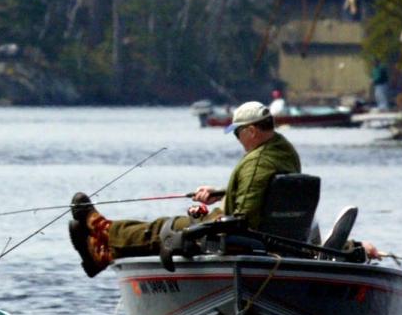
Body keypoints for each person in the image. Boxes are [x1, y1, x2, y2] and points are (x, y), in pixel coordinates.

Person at [69, 101, 303, 277]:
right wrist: (222, 193)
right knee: (169, 226)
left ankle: (103, 232)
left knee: (165, 228)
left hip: (235, 234)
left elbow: (245, 219)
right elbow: (261, 190)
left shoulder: (257, 162)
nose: (237, 138)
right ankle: (101, 254)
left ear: (251, 131)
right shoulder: (283, 151)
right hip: (270, 235)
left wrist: (210, 222)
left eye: (237, 132)